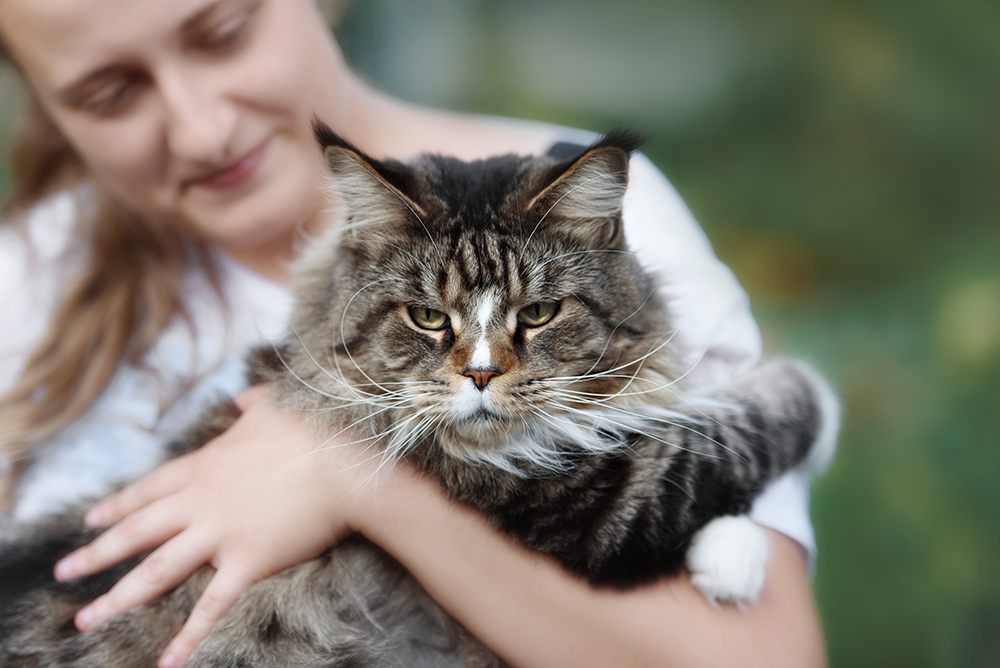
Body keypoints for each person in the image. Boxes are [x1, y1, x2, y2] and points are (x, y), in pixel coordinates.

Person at [0, 1, 826, 666]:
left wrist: (353, 480)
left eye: (223, 32)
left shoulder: (606, 221)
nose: (201, 127)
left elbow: (765, 656)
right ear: (44, 103)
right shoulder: (28, 270)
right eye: (108, 93)